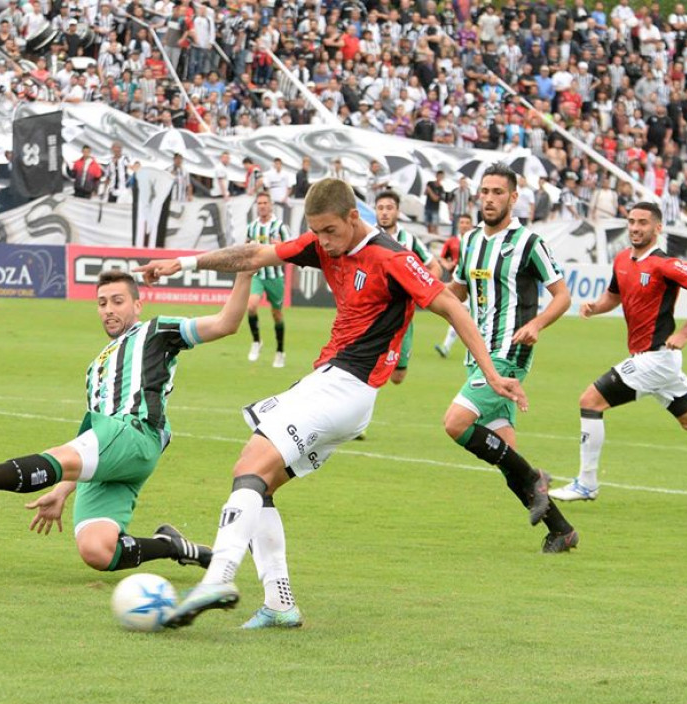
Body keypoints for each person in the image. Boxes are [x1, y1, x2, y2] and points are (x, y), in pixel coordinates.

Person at [134, 179, 527, 629]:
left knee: (251, 464)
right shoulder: (324, 245)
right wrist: (179, 262)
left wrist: (491, 374)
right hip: (339, 388)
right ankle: (279, 602)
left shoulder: (392, 257)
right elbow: (252, 255)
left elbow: (453, 309)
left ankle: (218, 578)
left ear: (352, 218)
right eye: (316, 232)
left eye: (329, 231)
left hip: (346, 385)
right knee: (257, 481)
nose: (322, 242)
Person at [0, 269, 255, 577]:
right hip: (114, 449)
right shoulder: (96, 366)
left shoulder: (155, 332)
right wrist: (62, 489)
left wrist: (244, 274)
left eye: (117, 301)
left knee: (63, 455)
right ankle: (171, 546)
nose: (108, 309)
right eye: (102, 303)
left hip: (134, 432)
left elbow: (226, 323)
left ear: (138, 304)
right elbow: (90, 445)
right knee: (97, 550)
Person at [550, 202, 687, 505]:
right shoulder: (621, 260)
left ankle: (587, 483)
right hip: (654, 361)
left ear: (658, 228)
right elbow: (613, 297)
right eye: (631, 221)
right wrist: (595, 307)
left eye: (643, 223)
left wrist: (684, 332)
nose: (635, 228)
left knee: (590, 400)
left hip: (655, 358)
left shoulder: (664, 264)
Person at [442, 164, 578, 552]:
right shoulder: (469, 241)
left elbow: (563, 296)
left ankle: (536, 477)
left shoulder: (529, 243)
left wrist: (537, 324)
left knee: (455, 424)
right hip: (479, 354)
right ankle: (561, 530)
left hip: (509, 352)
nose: (488, 198)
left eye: (498, 192)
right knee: (507, 458)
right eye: (484, 191)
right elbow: (456, 294)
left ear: (513, 198)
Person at [374, 189, 441, 384]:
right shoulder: (367, 237)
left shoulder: (409, 240)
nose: (384, 212)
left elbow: (434, 266)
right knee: (366, 370)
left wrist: (424, 290)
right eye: (380, 208)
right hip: (372, 312)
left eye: (389, 208)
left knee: (398, 376)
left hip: (402, 314)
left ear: (397, 211)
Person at [245, 191, 290, 368]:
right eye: (259, 203)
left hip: (275, 276)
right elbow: (246, 245)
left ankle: (280, 351)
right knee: (251, 306)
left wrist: (279, 247)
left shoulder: (279, 226)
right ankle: (256, 341)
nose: (262, 206)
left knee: (276, 314)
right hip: (258, 275)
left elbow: (291, 250)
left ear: (271, 205)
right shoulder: (252, 226)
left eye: (265, 203)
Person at [435, 213, 474, 358]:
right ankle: (447, 347)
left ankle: (448, 347)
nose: (464, 225)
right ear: (458, 225)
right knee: (460, 314)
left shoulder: (476, 240)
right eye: (462, 222)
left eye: (467, 222)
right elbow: (442, 258)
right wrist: (448, 265)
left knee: (465, 315)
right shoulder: (452, 241)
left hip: (475, 283)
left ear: (471, 225)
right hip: (458, 284)